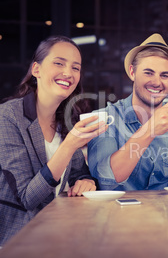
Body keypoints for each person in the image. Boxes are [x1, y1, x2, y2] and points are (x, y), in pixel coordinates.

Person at [0, 36, 107, 246]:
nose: (68, 73)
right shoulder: (8, 117)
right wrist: (69, 145)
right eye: (59, 63)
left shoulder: (65, 120)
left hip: (60, 234)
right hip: (17, 241)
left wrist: (88, 182)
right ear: (36, 70)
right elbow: (28, 197)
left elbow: (80, 173)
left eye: (75, 68)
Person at [87, 33, 168, 190]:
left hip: (166, 213)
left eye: (164, 75)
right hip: (116, 213)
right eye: (148, 73)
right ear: (132, 72)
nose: (156, 82)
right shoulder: (105, 119)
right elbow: (106, 180)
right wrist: (149, 130)